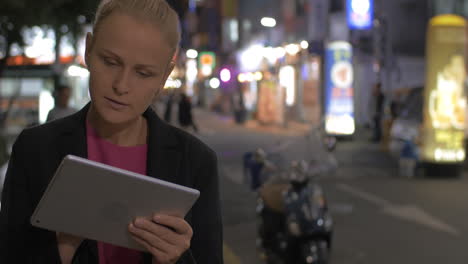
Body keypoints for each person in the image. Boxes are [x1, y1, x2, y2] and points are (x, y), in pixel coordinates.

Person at [0, 0, 223, 263]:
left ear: (164, 76)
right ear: (89, 50)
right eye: (110, 62)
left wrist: (177, 259)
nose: (121, 85)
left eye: (143, 73)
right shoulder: (36, 148)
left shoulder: (195, 161)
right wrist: (62, 247)